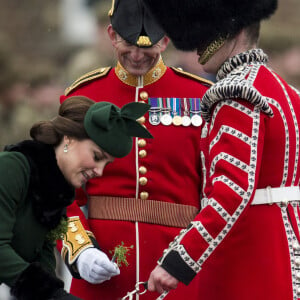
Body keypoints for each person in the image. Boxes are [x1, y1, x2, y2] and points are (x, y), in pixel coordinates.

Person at [141, 0, 300, 299]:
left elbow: (231, 191)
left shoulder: (235, 93)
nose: (195, 45)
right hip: (286, 246)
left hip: (248, 254)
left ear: (234, 29)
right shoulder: (287, 92)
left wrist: (179, 260)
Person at [57, 0, 212, 299]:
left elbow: (216, 194)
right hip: (102, 269)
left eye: (149, 45)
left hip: (178, 274)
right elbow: (58, 191)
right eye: (129, 43)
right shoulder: (83, 96)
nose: (138, 55)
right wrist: (79, 250)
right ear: (112, 35)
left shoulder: (202, 98)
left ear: (166, 40)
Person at [0, 95, 151, 300]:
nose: (99, 171)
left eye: (106, 164)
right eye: (97, 156)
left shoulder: (54, 191)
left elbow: (42, 261)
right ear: (68, 139)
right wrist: (55, 295)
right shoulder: (12, 168)